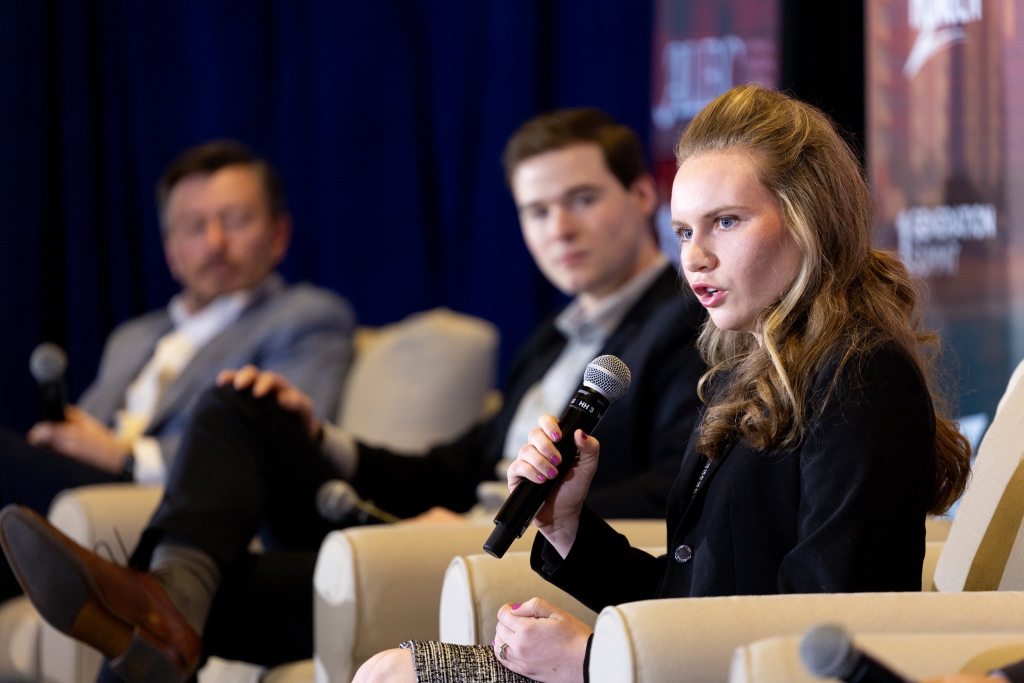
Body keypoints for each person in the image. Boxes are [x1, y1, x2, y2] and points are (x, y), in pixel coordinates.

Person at [0, 108, 707, 681]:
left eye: (581, 199)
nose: (559, 228)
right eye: (537, 210)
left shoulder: (687, 326)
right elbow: (450, 466)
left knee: (192, 604)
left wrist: (512, 511)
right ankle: (170, 592)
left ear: (643, 195)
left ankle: (164, 600)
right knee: (243, 405)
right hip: (441, 523)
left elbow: (673, 489)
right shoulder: (553, 337)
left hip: (505, 543)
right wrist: (323, 441)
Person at [351, 83, 975, 683]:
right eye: (683, 231)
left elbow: (825, 621)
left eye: (725, 222)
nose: (695, 257)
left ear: (807, 219)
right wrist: (567, 525)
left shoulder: (863, 373)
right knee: (387, 670)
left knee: (398, 676)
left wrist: (591, 662)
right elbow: (683, 599)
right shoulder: (743, 375)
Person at [0, 140, 355, 602]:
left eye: (235, 220)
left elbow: (283, 441)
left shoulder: (305, 318)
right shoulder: (132, 336)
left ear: (279, 235)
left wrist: (125, 457)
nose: (215, 243)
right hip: (78, 492)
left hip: (174, 503)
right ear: (170, 249)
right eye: (194, 226)